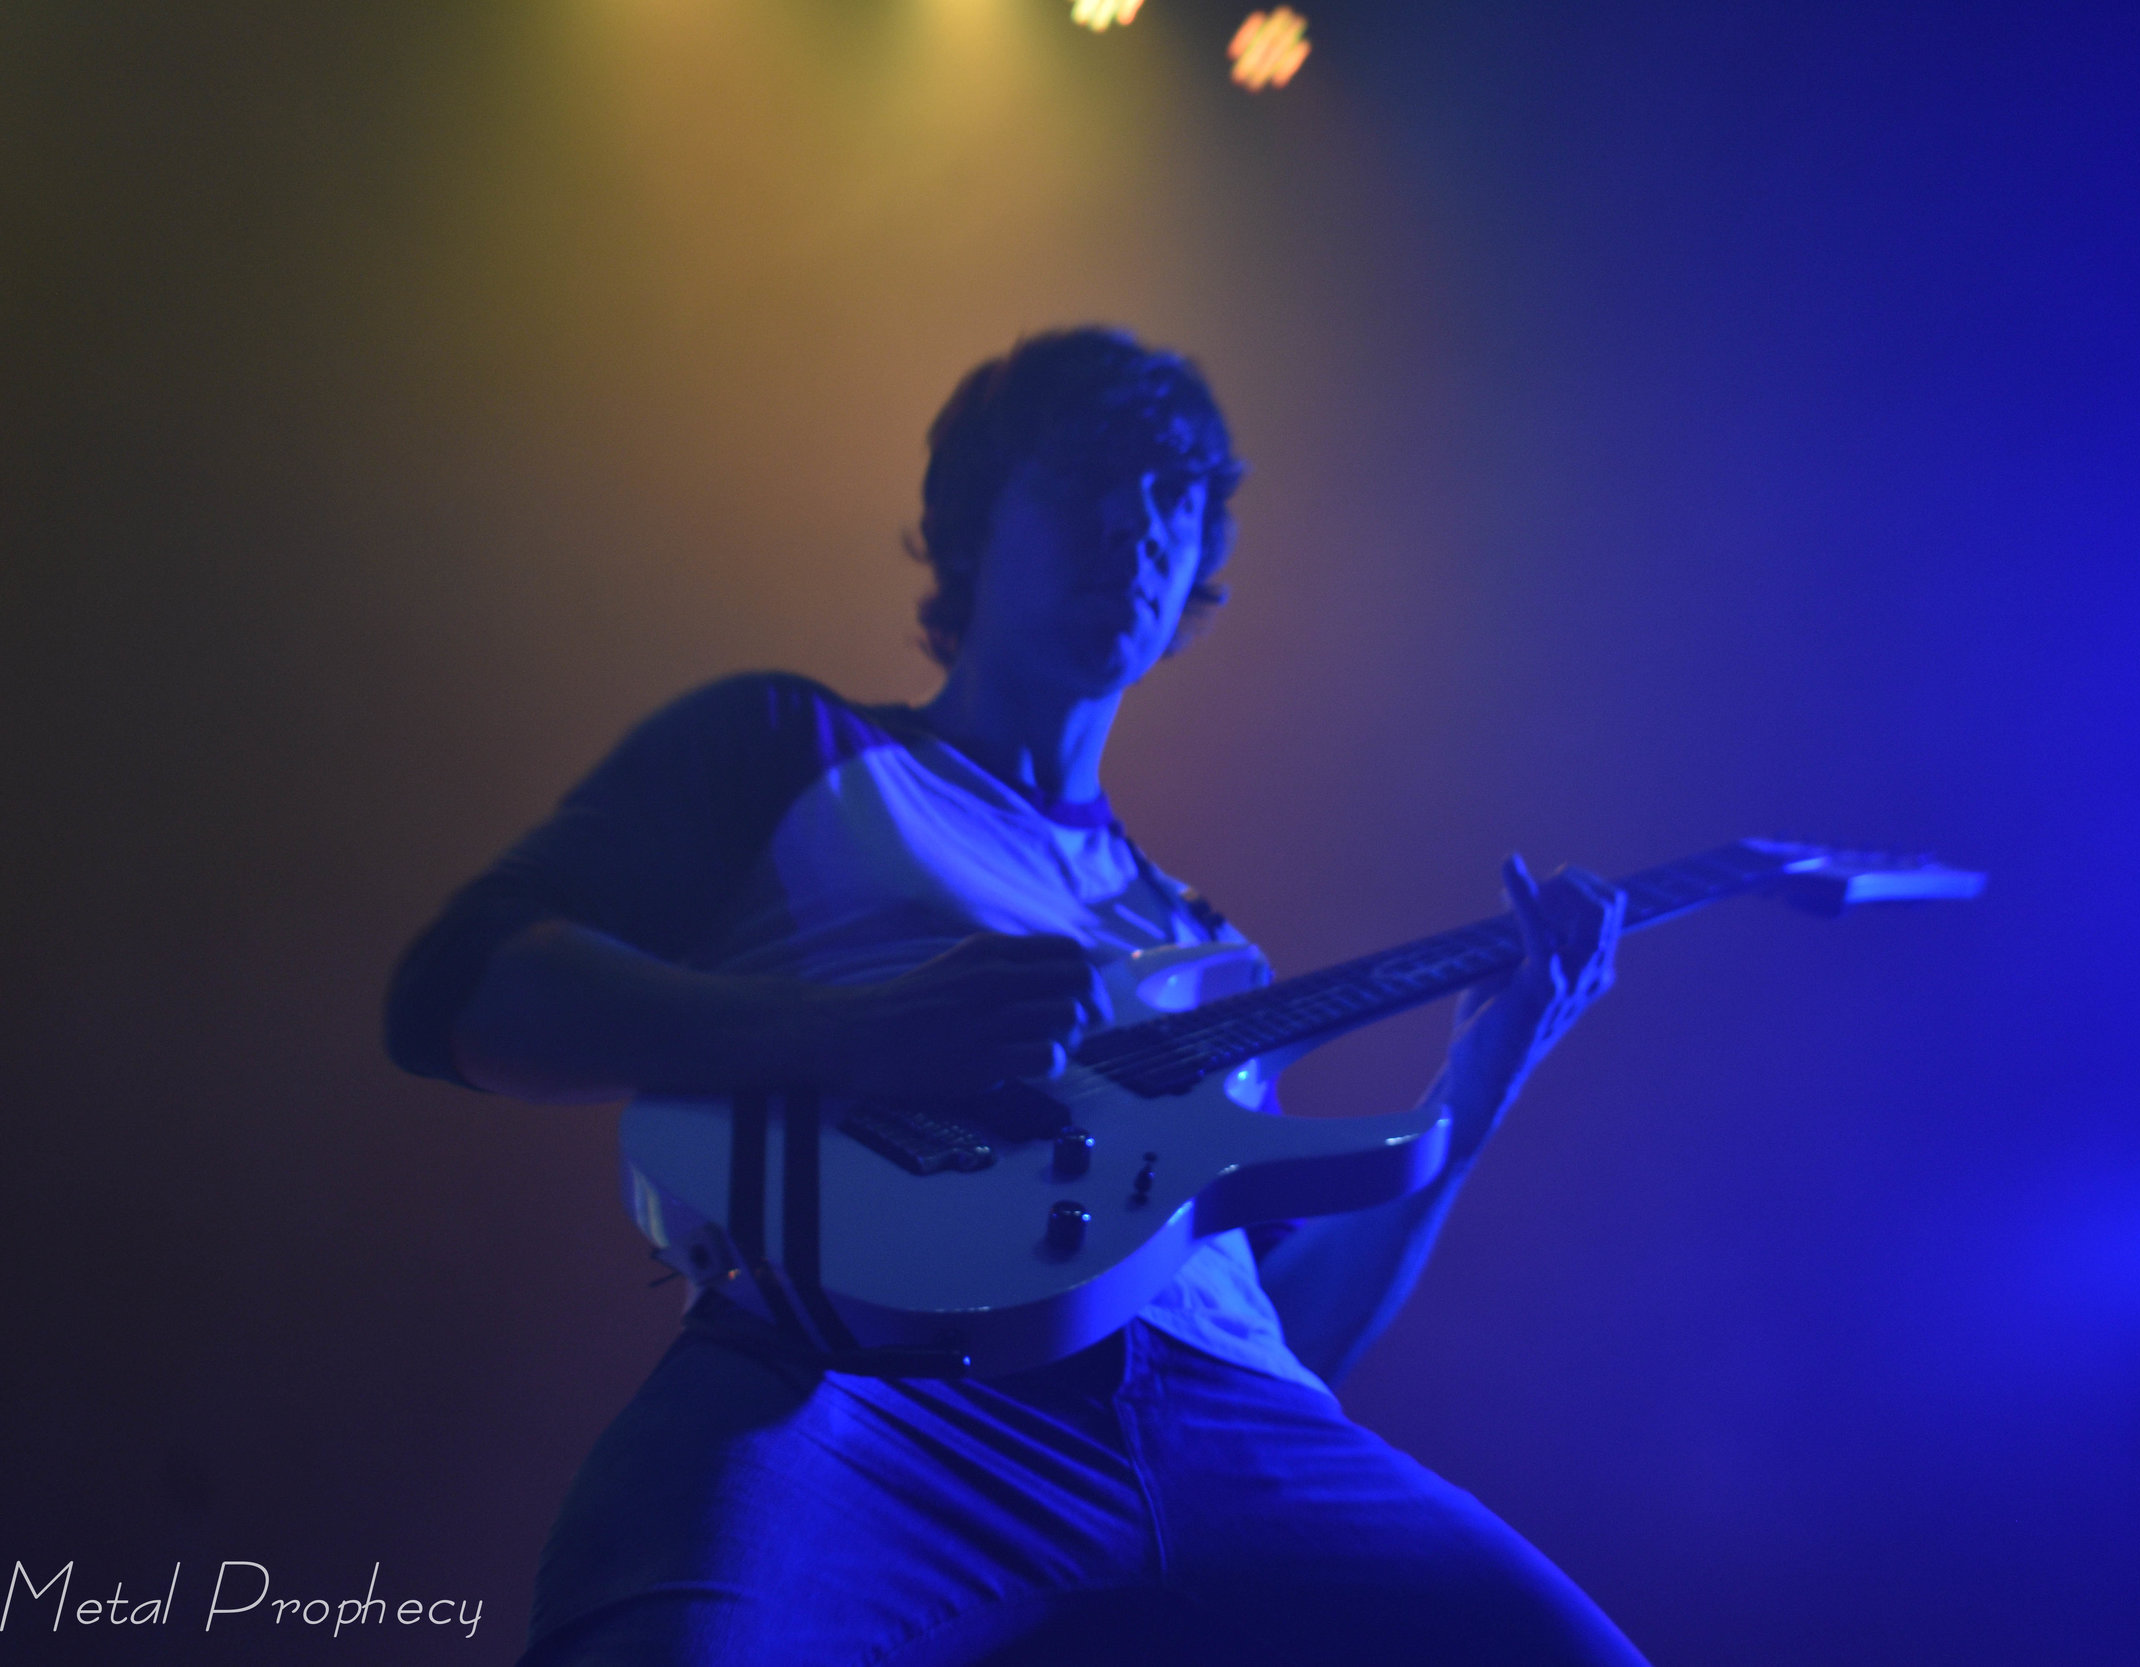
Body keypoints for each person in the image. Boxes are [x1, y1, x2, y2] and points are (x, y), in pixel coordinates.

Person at [386, 327, 1648, 1666]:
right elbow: (464, 992)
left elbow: (1301, 1328)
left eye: (1171, 494)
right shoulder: (795, 747)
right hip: (864, 1383)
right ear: (973, 527)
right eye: (1088, 475)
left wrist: (1484, 1074)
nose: (1131, 524)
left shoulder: (1203, 940)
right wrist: (859, 1034)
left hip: (1241, 1423)